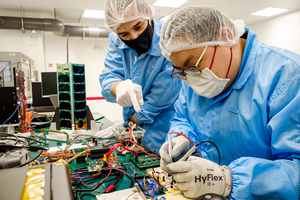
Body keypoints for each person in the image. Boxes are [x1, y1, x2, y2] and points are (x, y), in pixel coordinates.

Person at [159, 5, 300, 200]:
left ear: (225, 38)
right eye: (181, 71)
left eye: (193, 65)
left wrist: (230, 181)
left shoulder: (287, 77)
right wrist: (182, 138)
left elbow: (296, 170)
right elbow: (183, 117)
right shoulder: (192, 78)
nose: (189, 78)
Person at [98, 0, 181, 154]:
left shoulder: (169, 37)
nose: (134, 36)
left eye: (138, 26)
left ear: (149, 14)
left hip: (164, 128)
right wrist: (118, 87)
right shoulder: (115, 39)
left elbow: (159, 98)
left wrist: (128, 126)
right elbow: (110, 76)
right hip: (134, 129)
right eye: (124, 34)